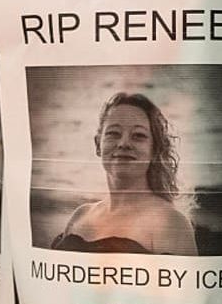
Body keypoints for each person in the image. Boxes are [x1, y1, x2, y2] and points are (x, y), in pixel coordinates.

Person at [51, 91, 198, 255]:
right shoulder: (80, 215)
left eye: (138, 136)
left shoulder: (170, 223)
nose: (123, 143)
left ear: (155, 150)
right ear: (98, 145)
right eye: (113, 133)